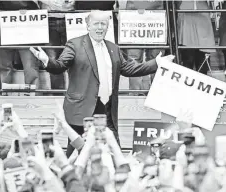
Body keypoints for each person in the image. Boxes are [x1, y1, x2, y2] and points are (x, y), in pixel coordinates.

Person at [30, 10, 175, 157]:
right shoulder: (74, 44)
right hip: (81, 109)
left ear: (108, 26)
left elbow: (130, 69)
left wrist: (157, 62)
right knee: (76, 152)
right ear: (88, 25)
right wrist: (46, 61)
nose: (100, 27)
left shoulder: (114, 48)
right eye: (96, 24)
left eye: (103, 24)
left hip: (107, 109)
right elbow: (60, 65)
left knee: (114, 151)